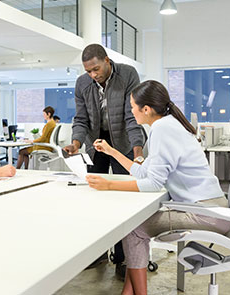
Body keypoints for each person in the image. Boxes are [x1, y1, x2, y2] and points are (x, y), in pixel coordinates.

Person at [86, 80, 230, 295]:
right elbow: (145, 173)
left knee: (133, 228)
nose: (131, 111)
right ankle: (128, 292)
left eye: (133, 106)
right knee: (135, 227)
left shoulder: (162, 129)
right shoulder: (170, 124)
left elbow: (153, 183)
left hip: (206, 214)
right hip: (214, 209)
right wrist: (112, 152)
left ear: (146, 109)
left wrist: (109, 184)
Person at [64, 44, 145, 278]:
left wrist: (137, 154)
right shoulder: (82, 83)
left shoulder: (128, 75)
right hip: (96, 144)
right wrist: (76, 143)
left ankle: (123, 258)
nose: (93, 75)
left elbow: (133, 117)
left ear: (107, 61)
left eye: (96, 69)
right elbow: (80, 118)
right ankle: (97, 253)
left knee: (123, 200)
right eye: (88, 71)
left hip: (124, 143)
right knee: (95, 199)